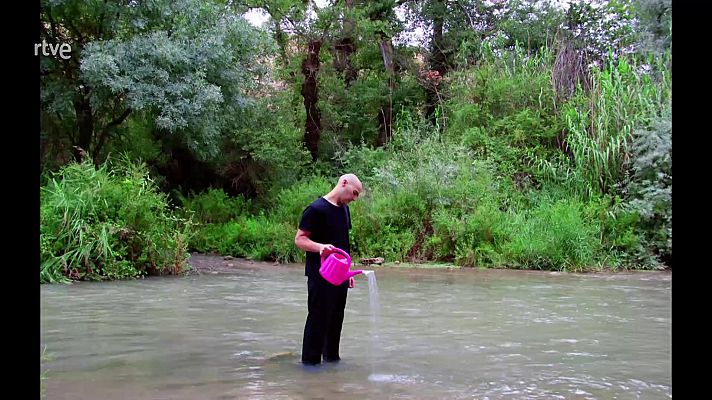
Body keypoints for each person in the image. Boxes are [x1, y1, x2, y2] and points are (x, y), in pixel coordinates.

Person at [294, 173, 364, 365]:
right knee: (318, 319)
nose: (354, 198)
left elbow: (343, 243)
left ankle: (332, 362)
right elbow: (299, 239)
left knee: (335, 320)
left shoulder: (344, 210)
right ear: (343, 183)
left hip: (339, 275)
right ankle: (310, 365)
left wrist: (347, 271)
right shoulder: (316, 209)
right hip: (320, 273)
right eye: (354, 193)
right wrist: (320, 247)